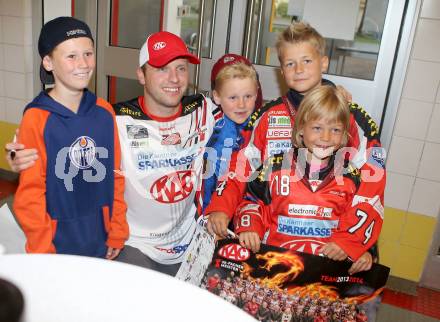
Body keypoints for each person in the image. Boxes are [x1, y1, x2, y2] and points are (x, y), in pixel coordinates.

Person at [205, 21, 385, 268]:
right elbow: (241, 171)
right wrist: (222, 208)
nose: (299, 69)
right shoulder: (266, 117)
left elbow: (372, 186)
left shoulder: (351, 118)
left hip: (332, 252)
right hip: (274, 250)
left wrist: (357, 243)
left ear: (323, 62)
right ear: (281, 71)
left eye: (307, 61)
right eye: (290, 63)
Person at [12, 17, 128, 258]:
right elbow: (30, 194)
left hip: (101, 236)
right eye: (71, 56)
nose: (83, 64)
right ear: (48, 62)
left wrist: (117, 230)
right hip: (54, 246)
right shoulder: (37, 118)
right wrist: (43, 250)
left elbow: (115, 176)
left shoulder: (105, 112)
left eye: (88, 53)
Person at [235, 86, 383, 273]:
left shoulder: (352, 177)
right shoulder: (273, 168)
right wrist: (250, 227)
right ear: (301, 129)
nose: (326, 137)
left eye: (335, 129)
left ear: (345, 135)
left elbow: (363, 218)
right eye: (317, 128)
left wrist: (360, 250)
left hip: (322, 276)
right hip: (273, 268)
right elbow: (251, 202)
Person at [202, 54, 262, 211]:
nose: (241, 104)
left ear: (256, 94)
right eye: (233, 97)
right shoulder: (208, 123)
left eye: (248, 96)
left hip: (249, 213)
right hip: (211, 210)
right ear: (217, 97)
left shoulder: (262, 127)